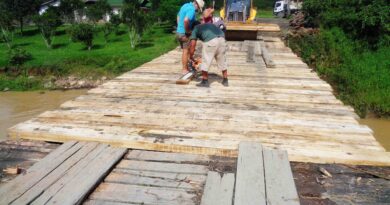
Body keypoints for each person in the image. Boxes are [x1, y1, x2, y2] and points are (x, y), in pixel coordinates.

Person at [189, 23, 228, 87]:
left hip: (211, 41)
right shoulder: (209, 25)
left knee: (206, 60)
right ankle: (225, 80)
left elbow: (193, 45)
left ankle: (205, 81)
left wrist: (191, 55)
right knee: (222, 60)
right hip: (222, 39)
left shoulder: (195, 28)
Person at [176, 0, 205, 74]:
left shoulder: (185, 5)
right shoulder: (192, 9)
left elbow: (178, 16)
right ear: (197, 5)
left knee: (185, 51)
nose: (197, 10)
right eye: (198, 8)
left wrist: (179, 26)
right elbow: (186, 20)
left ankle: (187, 67)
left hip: (179, 32)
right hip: (184, 34)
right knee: (186, 51)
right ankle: (184, 69)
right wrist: (187, 31)